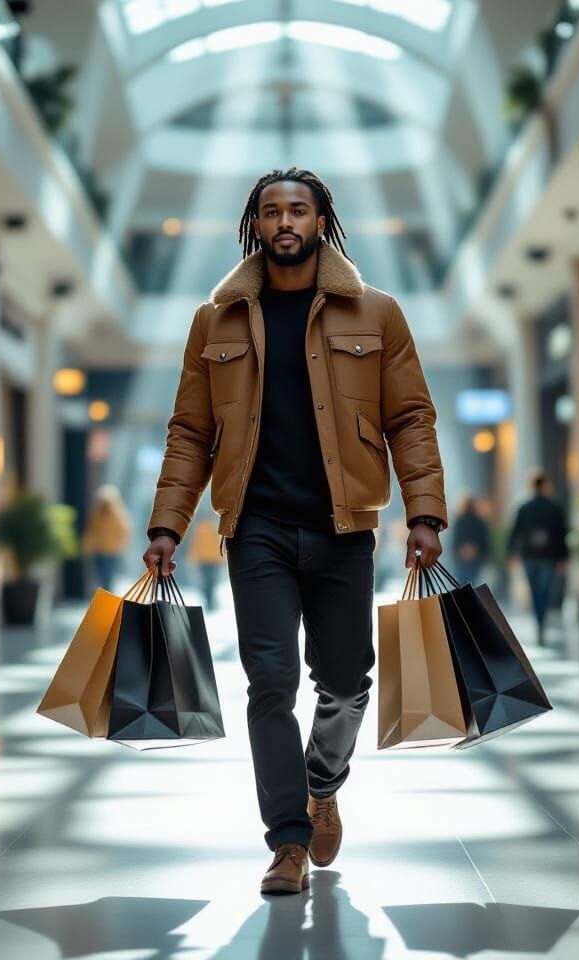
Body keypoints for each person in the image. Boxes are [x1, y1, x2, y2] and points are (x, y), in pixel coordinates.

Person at [143, 167, 447, 895]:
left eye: (299, 210)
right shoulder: (212, 321)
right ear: (255, 223)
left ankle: (322, 785)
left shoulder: (377, 313)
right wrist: (167, 526)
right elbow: (190, 432)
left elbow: (410, 418)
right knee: (270, 684)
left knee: (346, 682)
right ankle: (287, 842)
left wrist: (425, 513)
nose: (285, 221)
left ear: (321, 221)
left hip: (345, 529)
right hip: (257, 532)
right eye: (272, 210)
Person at [507, 469, 568, 646]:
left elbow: (515, 532)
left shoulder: (524, 507)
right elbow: (561, 533)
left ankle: (539, 621)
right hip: (549, 556)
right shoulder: (554, 507)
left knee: (534, 591)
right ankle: (541, 621)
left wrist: (511, 554)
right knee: (545, 590)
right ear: (546, 485)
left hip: (530, 555)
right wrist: (563, 557)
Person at [81, 484, 132, 593]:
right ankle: (104, 597)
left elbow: (124, 532)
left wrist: (122, 546)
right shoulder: (96, 514)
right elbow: (91, 531)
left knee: (107, 577)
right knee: (100, 576)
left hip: (112, 552)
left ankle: (107, 598)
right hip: (98, 550)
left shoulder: (118, 515)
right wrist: (87, 546)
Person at [186, 514, 225, 610]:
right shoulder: (213, 527)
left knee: (206, 581)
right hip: (212, 560)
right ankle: (210, 600)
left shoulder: (199, 529)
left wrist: (192, 557)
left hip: (203, 560)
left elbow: (195, 544)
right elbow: (218, 544)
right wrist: (222, 558)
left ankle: (209, 600)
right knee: (211, 581)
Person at [451, 493, 490, 586]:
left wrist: (458, 552)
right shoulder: (479, 521)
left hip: (463, 556)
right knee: (472, 582)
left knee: (463, 582)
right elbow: (484, 540)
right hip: (475, 556)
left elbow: (455, 540)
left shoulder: (459, 520)